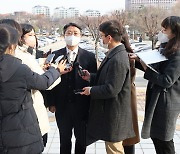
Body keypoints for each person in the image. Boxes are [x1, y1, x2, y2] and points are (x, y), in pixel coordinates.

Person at [0, 24, 66, 154]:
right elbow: (44, 82)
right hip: (21, 134)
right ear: (12, 45)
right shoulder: (19, 68)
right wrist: (56, 70)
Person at [80, 20, 135, 154]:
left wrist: (91, 90)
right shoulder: (115, 53)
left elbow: (111, 89)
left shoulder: (118, 58)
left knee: (114, 150)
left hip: (115, 116)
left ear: (109, 38)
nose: (101, 39)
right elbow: (110, 78)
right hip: (112, 114)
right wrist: (91, 77)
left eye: (101, 36)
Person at [129, 16, 180, 154]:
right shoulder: (165, 48)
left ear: (175, 32)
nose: (161, 32)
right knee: (157, 138)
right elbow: (154, 68)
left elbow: (167, 80)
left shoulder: (177, 54)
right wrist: (139, 60)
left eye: (165, 29)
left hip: (167, 103)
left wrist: (145, 68)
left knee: (164, 140)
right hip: (157, 100)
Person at [47, 23, 97, 154]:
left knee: (81, 140)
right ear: (64, 36)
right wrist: (51, 103)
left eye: (75, 33)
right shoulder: (56, 55)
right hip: (62, 106)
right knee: (64, 139)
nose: (72, 36)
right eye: (69, 33)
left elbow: (95, 80)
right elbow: (49, 80)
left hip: (82, 106)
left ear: (80, 36)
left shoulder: (89, 57)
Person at [121, 28, 140, 154]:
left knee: (127, 136)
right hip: (127, 95)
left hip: (125, 96)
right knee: (127, 135)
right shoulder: (126, 52)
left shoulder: (124, 55)